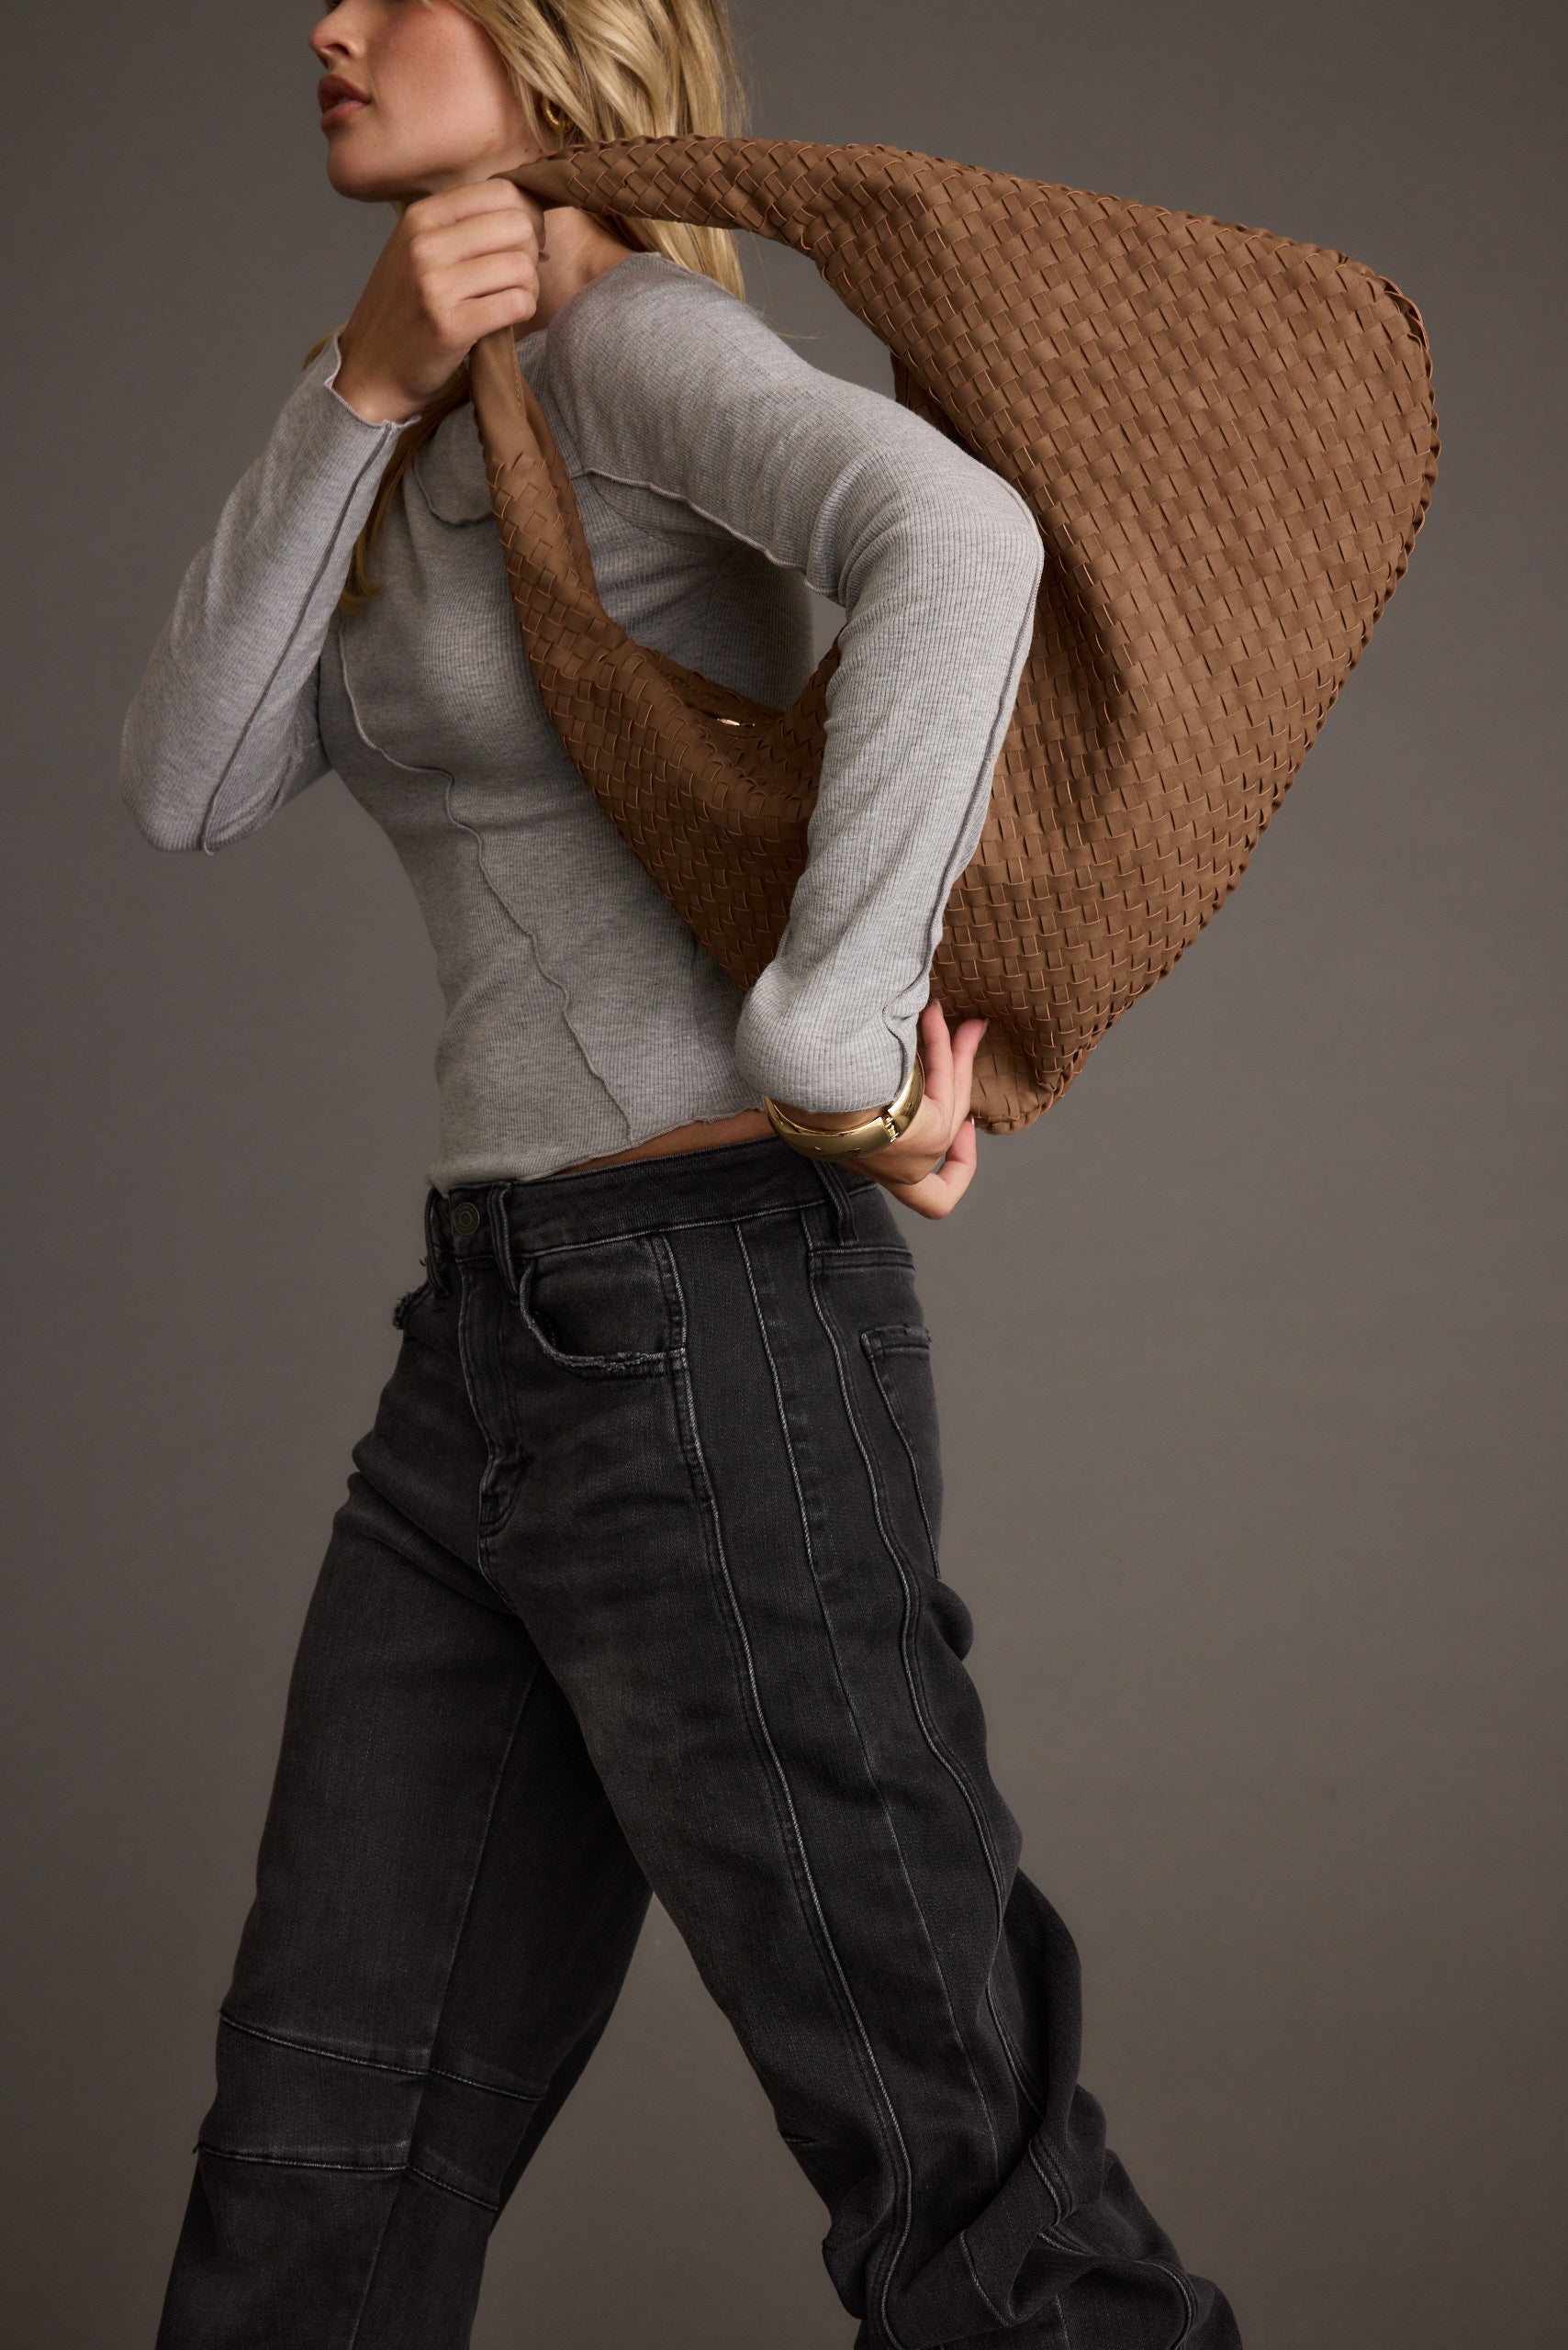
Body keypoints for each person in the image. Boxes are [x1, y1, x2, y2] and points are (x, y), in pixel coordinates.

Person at [122, 3, 1242, 2344]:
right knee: (318, 2160)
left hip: (697, 1325)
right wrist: (358, 386)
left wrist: (837, 1020)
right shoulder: (413, 392)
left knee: (959, 2176)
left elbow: (956, 536)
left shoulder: (617, 333)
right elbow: (187, 780)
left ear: (557, 34)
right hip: (489, 1350)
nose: (325, 22)